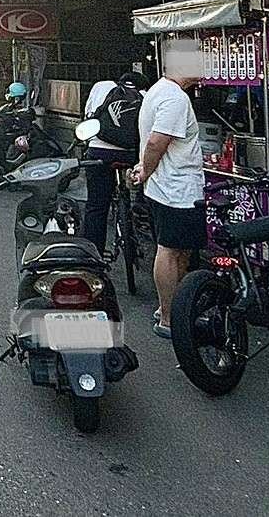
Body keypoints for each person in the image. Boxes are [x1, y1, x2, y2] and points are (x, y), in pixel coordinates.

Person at [129, 40, 206, 339]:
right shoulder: (174, 98)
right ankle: (169, 317)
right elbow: (156, 142)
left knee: (178, 250)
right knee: (170, 251)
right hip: (176, 190)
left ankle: (175, 308)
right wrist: (146, 170)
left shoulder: (160, 91)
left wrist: (145, 171)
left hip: (168, 188)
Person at [81, 72, 147, 251]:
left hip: (99, 153)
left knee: (96, 205)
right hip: (131, 155)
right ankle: (141, 211)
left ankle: (93, 253)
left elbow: (89, 116)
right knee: (146, 195)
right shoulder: (145, 95)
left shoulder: (101, 86)